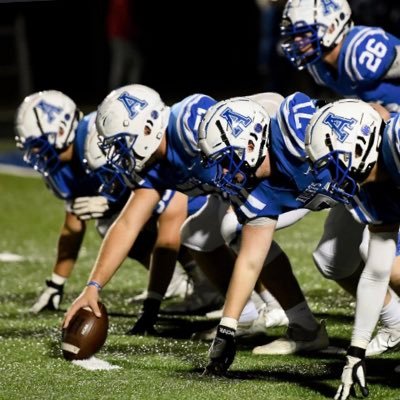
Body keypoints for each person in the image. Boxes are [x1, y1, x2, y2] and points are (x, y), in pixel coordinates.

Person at [62, 85, 316, 341]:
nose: (120, 154)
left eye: (122, 143)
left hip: (284, 173)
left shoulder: (189, 126)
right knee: (196, 235)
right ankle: (245, 316)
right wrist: (93, 287)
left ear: (148, 127)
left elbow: (251, 151)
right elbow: (128, 223)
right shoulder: (151, 164)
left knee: (234, 226)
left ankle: (295, 318)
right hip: (237, 187)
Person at [280, 0, 400, 355]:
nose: (297, 43)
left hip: (394, 159)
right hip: (370, 169)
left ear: (332, 26)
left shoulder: (360, 51)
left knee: (383, 259)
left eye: (303, 35)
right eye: (294, 36)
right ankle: (396, 324)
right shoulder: (321, 66)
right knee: (332, 258)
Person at [15, 90, 193, 313]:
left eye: (38, 145)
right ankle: (174, 281)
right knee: (106, 223)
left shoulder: (96, 141)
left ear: (60, 130)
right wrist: (55, 284)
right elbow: (73, 223)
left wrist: (112, 204)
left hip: (179, 195)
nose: (35, 153)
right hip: (146, 202)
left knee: (129, 218)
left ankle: (198, 277)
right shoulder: (61, 169)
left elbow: (149, 192)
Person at [304, 98, 400, 399]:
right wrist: (355, 353)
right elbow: (375, 273)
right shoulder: (370, 188)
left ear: (362, 146)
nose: (332, 176)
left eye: (336, 162)